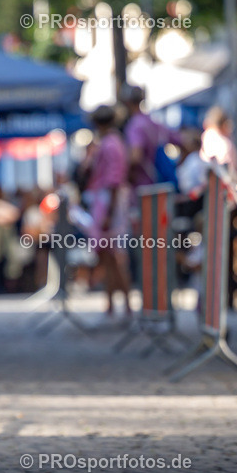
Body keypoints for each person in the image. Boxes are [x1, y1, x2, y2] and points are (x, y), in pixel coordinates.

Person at [79, 105, 132, 322]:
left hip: (109, 204)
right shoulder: (112, 143)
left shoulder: (110, 145)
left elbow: (113, 181)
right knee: (109, 258)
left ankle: (126, 304)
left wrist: (109, 214)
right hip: (108, 202)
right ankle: (113, 304)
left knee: (115, 257)